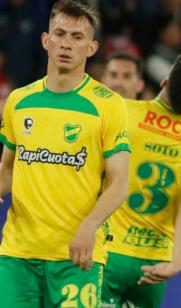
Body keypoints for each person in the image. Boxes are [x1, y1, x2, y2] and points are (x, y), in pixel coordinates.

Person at [0, 1, 130, 307]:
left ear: (92, 47)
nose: (66, 44)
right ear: (46, 40)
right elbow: (7, 167)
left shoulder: (107, 105)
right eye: (59, 34)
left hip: (77, 256)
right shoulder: (19, 100)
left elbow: (119, 182)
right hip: (18, 256)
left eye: (77, 37)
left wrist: (89, 226)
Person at [100, 46, 181, 308]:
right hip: (155, 264)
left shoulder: (121, 112)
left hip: (105, 252)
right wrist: (178, 259)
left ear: (165, 80)